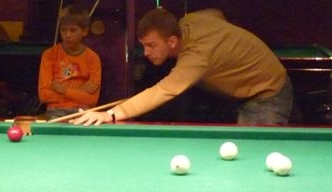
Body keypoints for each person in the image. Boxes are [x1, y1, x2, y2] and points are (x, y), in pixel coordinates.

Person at [72, 8, 292, 126]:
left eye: (151, 46)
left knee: (255, 156)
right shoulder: (188, 21)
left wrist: (111, 114)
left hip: (266, 92)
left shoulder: (196, 57)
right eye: (144, 45)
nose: (146, 53)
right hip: (237, 91)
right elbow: (215, 13)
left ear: (172, 41)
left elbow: (164, 90)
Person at [38, 4, 102, 120]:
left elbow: (92, 100)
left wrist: (63, 90)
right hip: (55, 112)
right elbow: (44, 96)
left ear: (85, 31)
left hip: (82, 112)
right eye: (63, 30)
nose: (67, 35)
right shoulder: (49, 55)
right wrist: (81, 91)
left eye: (73, 30)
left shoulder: (93, 58)